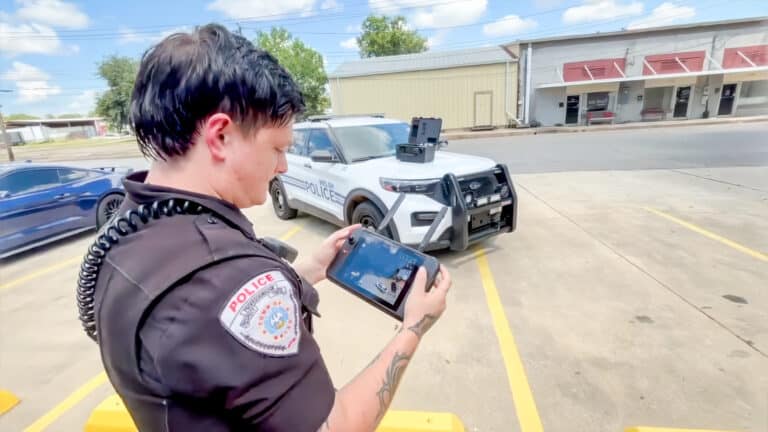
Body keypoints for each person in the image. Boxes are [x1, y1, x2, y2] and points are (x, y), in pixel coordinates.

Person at [89, 23, 451, 432]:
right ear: (221, 135)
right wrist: (414, 327)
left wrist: (308, 270)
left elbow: (204, 340)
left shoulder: (129, 229)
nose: (282, 166)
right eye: (277, 148)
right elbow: (337, 426)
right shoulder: (232, 282)